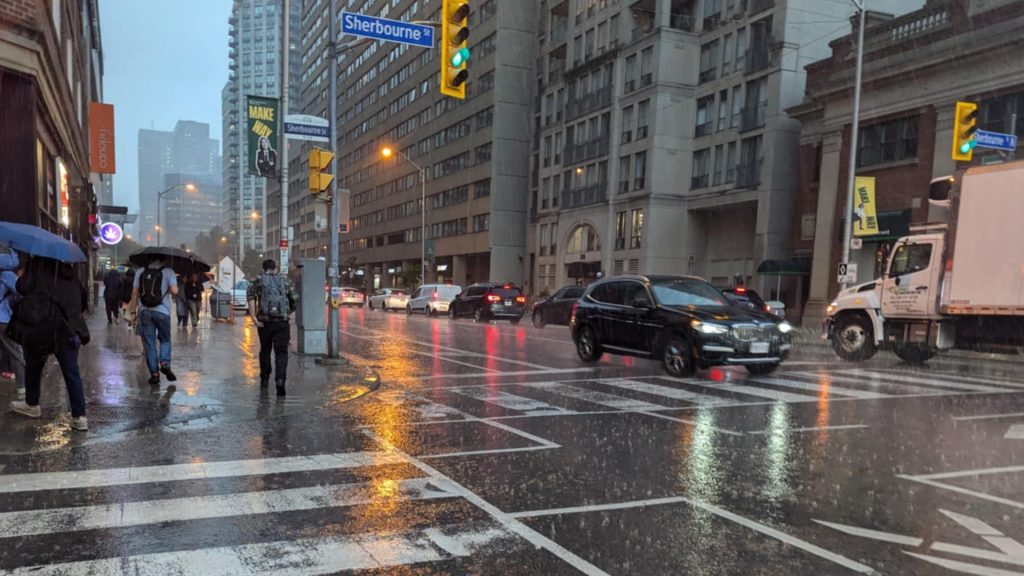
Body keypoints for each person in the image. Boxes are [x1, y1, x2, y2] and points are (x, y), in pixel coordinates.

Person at [9, 258, 90, 432]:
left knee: (33, 365)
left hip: (43, 328)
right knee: (71, 372)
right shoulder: (71, 275)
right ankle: (80, 416)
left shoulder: (37, 270)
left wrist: (23, 274)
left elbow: (21, 288)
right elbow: (84, 300)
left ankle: (32, 404)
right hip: (70, 330)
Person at [247, 259, 297, 396]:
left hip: (265, 323)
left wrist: (254, 318)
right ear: (276, 268)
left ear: (263, 269)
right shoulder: (285, 280)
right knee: (281, 352)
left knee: (265, 350)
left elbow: (251, 298)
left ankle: (264, 377)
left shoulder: (257, 280)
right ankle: (280, 380)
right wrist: (287, 313)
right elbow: (294, 299)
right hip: (282, 322)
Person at [126, 256, 178, 386]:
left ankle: (154, 374)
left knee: (149, 343)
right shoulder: (168, 271)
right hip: (163, 312)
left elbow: (134, 293)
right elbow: (174, 291)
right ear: (163, 259)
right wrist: (172, 288)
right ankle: (165, 363)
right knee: (165, 339)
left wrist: (132, 313)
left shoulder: (141, 271)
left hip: (145, 312)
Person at [0, 249, 25, 398]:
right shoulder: (7, 275)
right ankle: (22, 389)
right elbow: (21, 292)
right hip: (2, 320)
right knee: (16, 353)